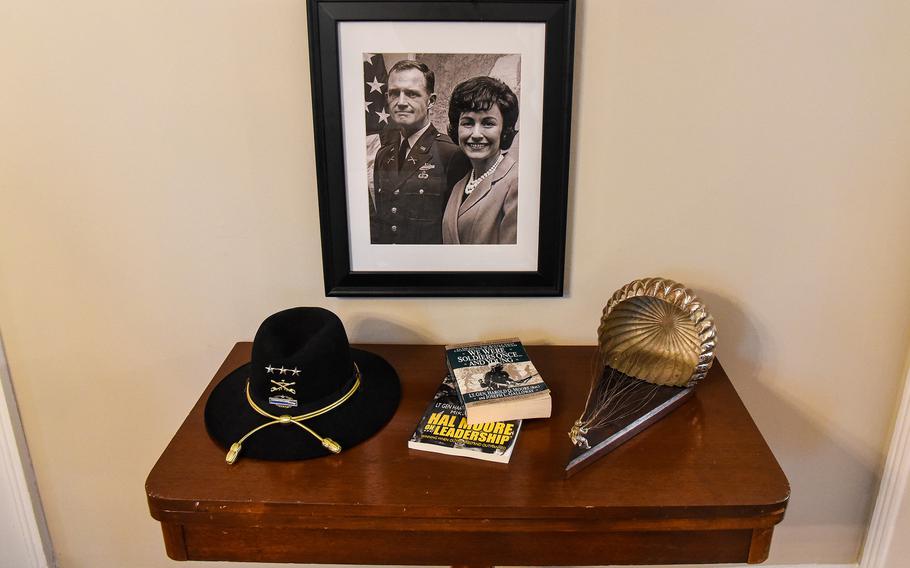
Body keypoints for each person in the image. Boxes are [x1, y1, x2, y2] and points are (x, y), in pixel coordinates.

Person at [371, 60, 470, 244]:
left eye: (411, 94)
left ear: (430, 101)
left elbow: (455, 231)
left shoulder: (451, 154)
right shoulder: (382, 155)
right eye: (394, 93)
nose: (400, 102)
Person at [442, 76, 519, 245]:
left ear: (504, 130)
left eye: (488, 123)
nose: (476, 134)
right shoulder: (459, 185)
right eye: (467, 123)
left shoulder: (516, 183)